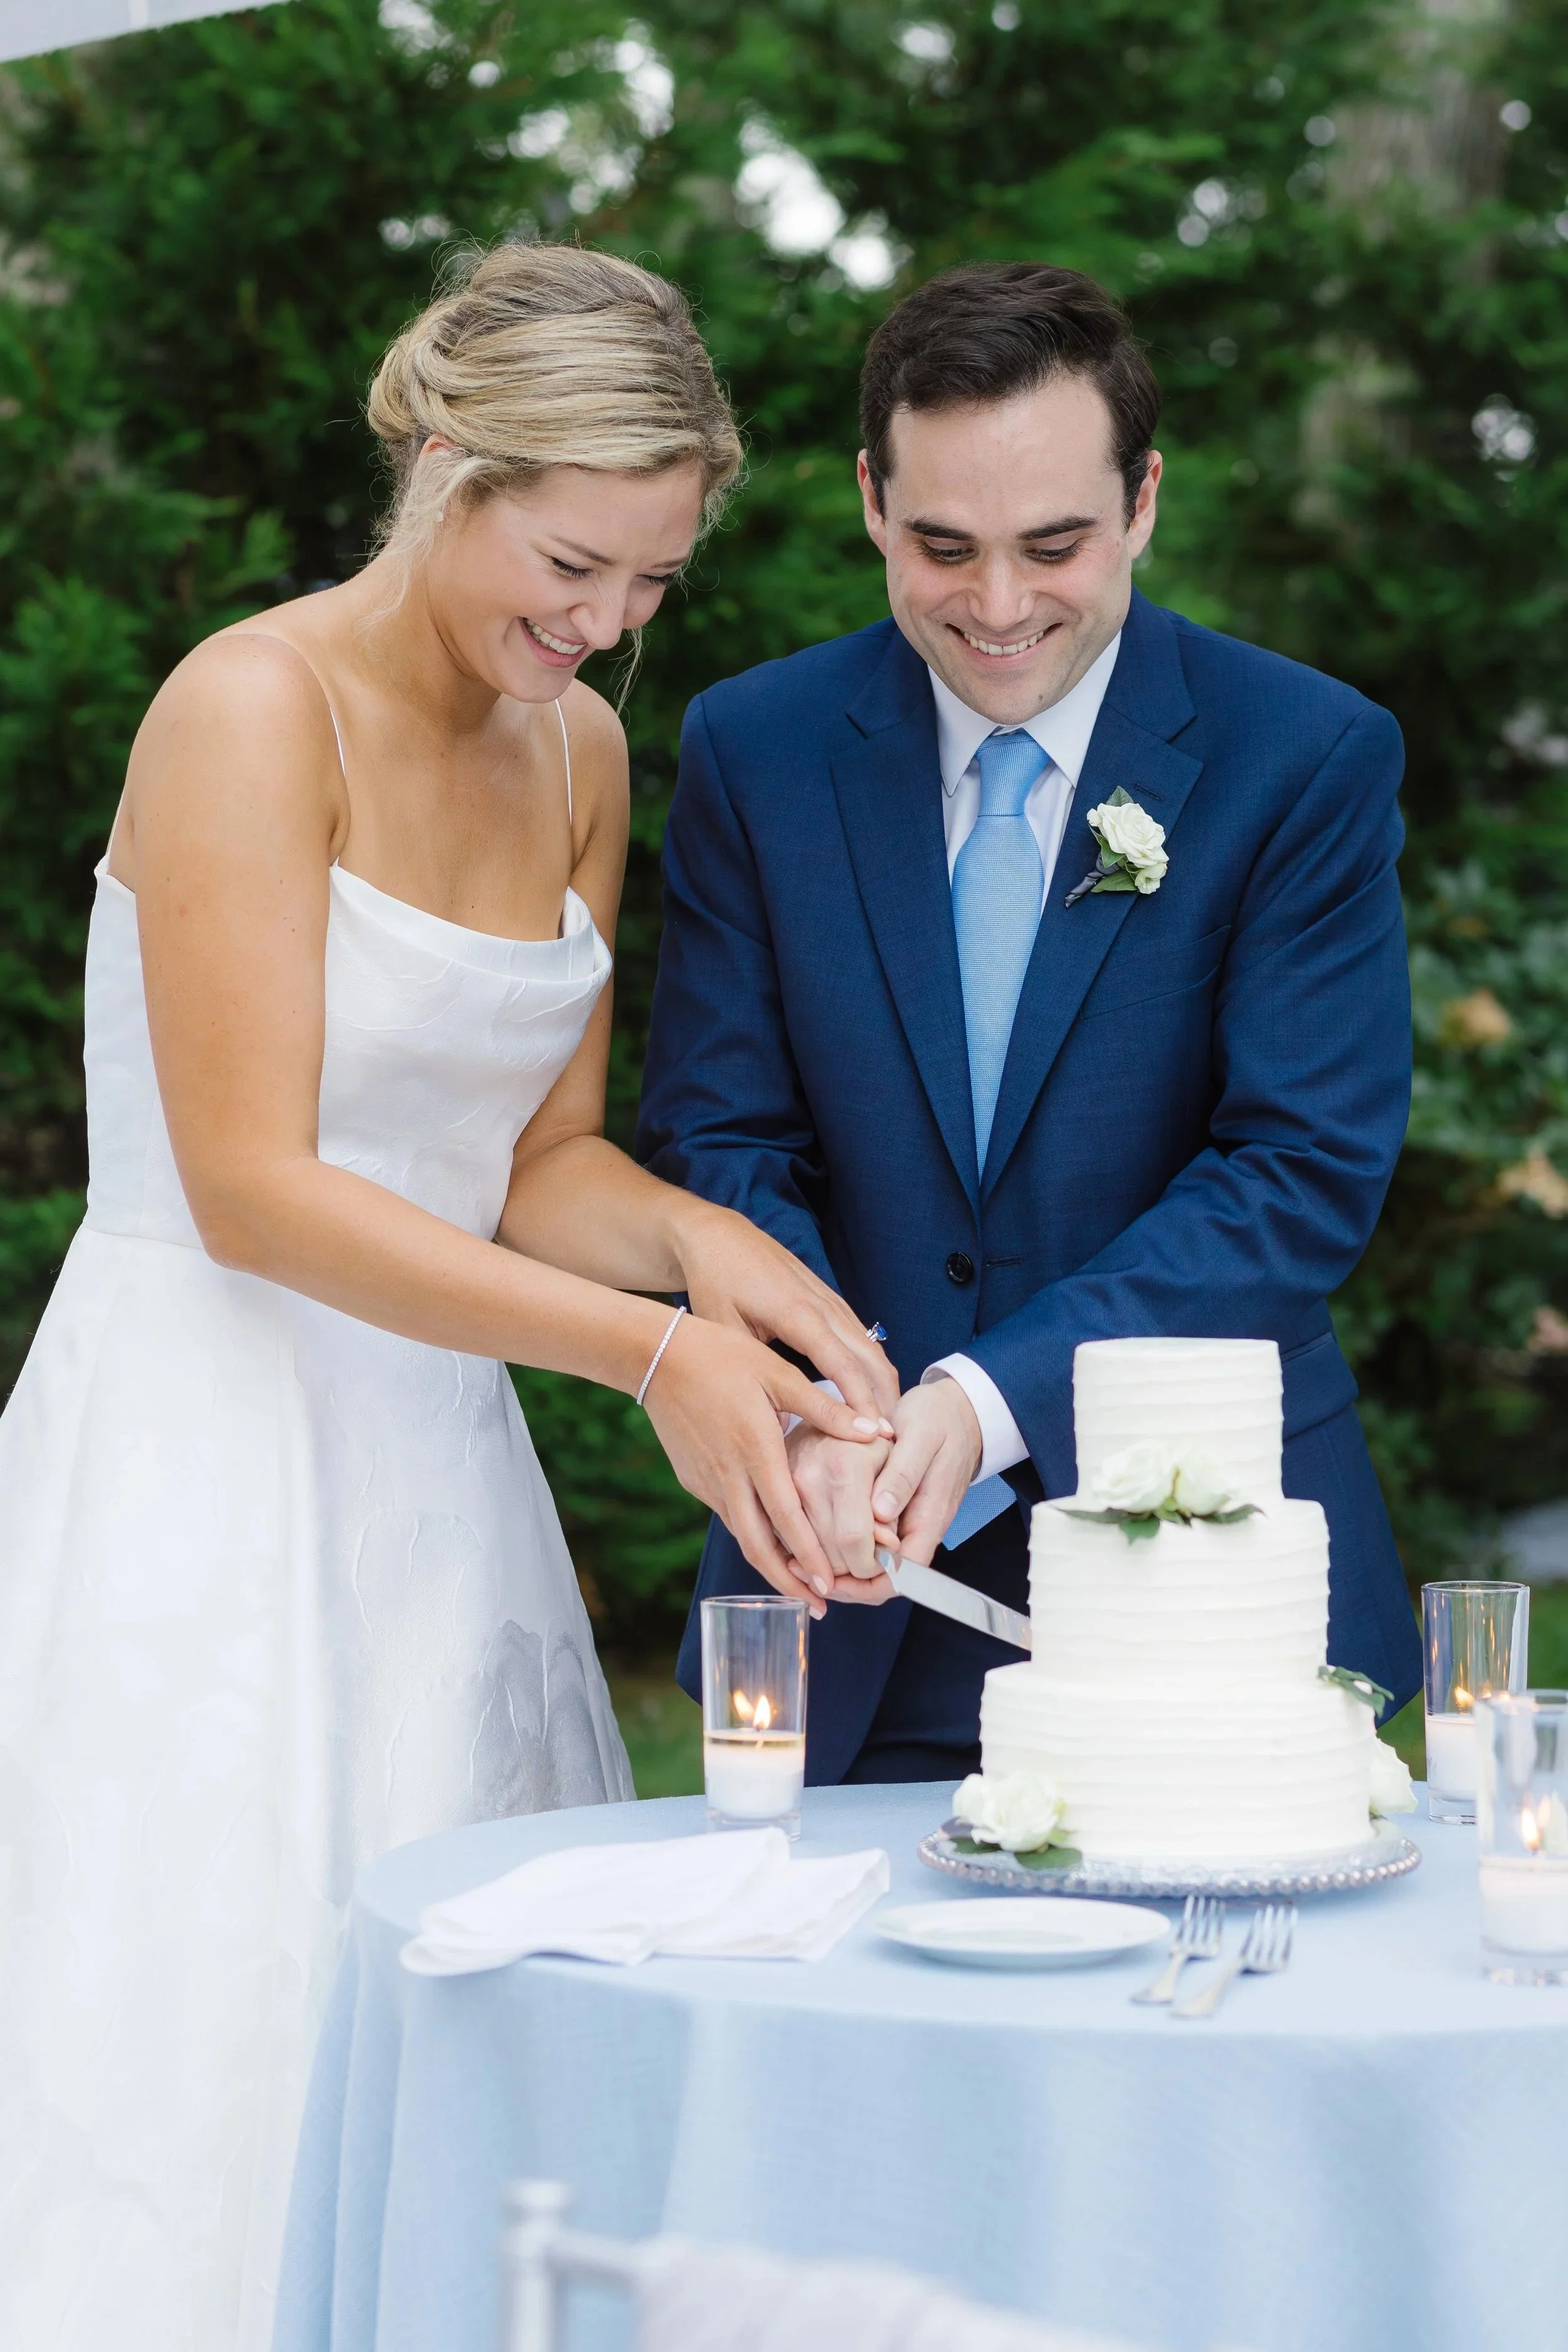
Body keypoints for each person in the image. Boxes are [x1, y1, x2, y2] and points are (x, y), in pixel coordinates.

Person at [0, 243, 894, 2352]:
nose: (599, 626)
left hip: (436, 1472)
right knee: (199, 2021)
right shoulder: (250, 705)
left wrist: (703, 1253)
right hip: (208, 1454)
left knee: (461, 2036)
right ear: (447, 466)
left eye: (654, 584)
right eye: (573, 561)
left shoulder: (579, 752)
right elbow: (254, 1188)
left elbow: (528, 1162)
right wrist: (650, 1354)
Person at [638, 260, 1423, 1786]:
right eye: (941, 546)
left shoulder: (1305, 755)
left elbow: (1298, 1171)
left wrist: (988, 1400)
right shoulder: (755, 749)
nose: (997, 610)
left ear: (1140, 500)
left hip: (1203, 1584)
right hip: (837, 1569)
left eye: (1051, 544)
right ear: (870, 498)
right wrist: (828, 1402)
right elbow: (718, 1132)